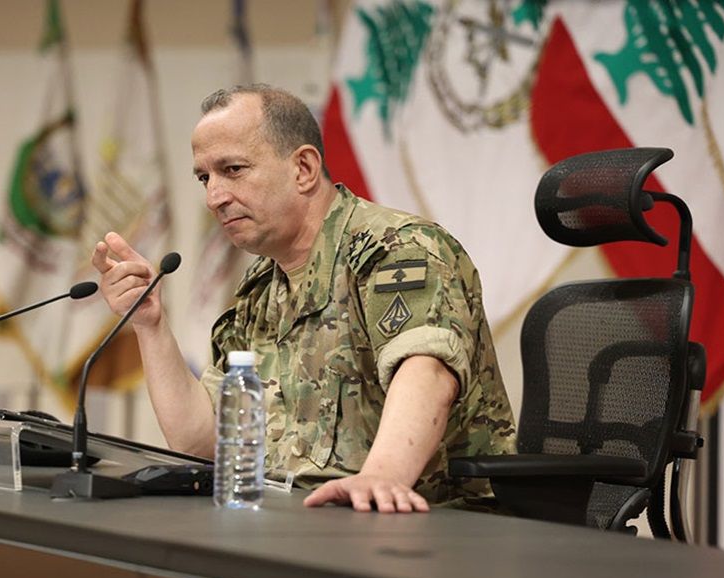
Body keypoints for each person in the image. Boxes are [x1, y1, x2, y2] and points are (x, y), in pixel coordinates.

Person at [91, 84, 515, 513]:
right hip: (298, 519)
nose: (214, 197)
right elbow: (205, 442)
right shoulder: (262, 286)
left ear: (304, 168)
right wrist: (150, 324)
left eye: (233, 170)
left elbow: (427, 372)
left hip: (424, 521)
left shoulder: (396, 249)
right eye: (205, 178)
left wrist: (381, 478)